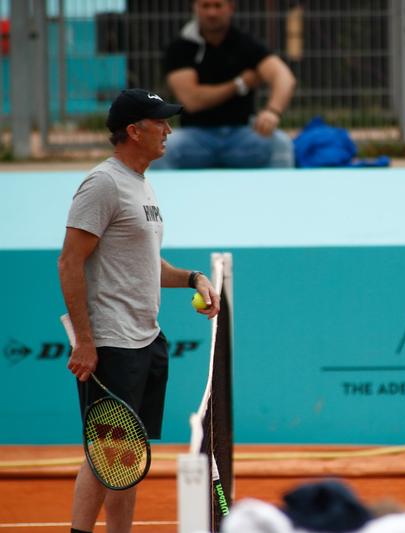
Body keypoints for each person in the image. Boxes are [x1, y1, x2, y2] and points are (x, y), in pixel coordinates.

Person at [58, 88, 221, 533]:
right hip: (111, 342)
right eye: (160, 122)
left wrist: (192, 278)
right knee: (107, 451)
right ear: (134, 131)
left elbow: (148, 265)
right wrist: (87, 343)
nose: (169, 129)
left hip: (146, 338)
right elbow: (70, 261)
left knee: (126, 455)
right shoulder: (103, 184)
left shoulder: (142, 184)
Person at [153, 0, 296, 169]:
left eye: (218, 6)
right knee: (159, 148)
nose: (212, 13)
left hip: (242, 134)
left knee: (281, 144)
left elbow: (284, 77)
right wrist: (240, 83)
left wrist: (273, 111)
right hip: (195, 137)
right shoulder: (180, 48)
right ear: (195, 8)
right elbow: (192, 100)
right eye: (206, 6)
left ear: (231, 8)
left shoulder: (246, 44)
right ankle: (155, 197)